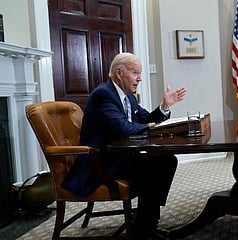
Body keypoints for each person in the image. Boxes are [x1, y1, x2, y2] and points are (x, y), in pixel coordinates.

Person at [61, 52, 187, 239]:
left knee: (166, 160)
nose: (140, 78)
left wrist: (164, 107)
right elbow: (123, 128)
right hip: (101, 161)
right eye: (135, 72)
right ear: (119, 73)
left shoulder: (128, 97)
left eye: (140, 73)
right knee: (153, 169)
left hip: (120, 156)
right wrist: (149, 128)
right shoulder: (103, 94)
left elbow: (145, 118)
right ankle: (143, 229)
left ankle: (148, 223)